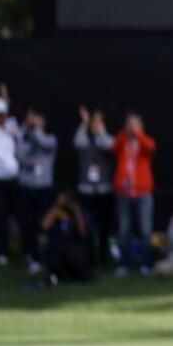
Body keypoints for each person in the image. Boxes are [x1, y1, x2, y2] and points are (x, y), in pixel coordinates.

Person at [111, 112, 156, 275]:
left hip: (142, 192)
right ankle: (124, 263)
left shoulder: (145, 140)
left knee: (145, 230)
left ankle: (147, 263)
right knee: (124, 230)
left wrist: (138, 134)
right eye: (129, 123)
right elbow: (113, 148)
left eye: (135, 123)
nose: (131, 126)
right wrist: (126, 133)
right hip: (124, 192)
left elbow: (151, 148)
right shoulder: (122, 139)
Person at [16, 110, 57, 275]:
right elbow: (21, 158)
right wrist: (25, 130)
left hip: (44, 190)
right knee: (29, 225)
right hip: (27, 189)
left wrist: (34, 129)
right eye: (33, 124)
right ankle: (33, 257)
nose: (34, 127)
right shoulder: (27, 143)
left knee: (46, 224)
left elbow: (44, 143)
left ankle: (50, 255)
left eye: (37, 124)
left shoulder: (51, 139)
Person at [74, 107, 116, 266]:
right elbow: (77, 142)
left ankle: (104, 257)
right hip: (87, 191)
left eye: (99, 122)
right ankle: (88, 257)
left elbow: (110, 146)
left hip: (104, 190)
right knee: (88, 226)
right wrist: (84, 123)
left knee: (104, 227)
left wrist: (101, 132)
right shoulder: (85, 140)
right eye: (94, 123)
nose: (95, 125)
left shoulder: (107, 139)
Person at [0, 98, 16, 266]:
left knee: (21, 217)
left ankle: (29, 253)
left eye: (3, 115)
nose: (1, 118)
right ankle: (3, 252)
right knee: (0, 218)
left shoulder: (12, 128)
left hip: (15, 180)